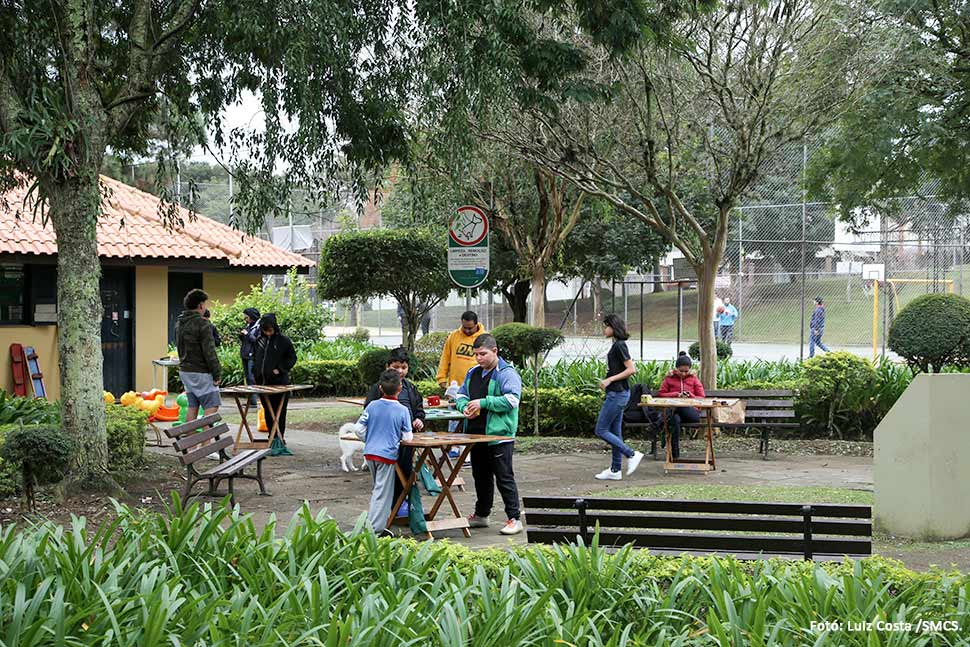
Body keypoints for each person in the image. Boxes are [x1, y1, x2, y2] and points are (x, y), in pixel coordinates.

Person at [456, 334, 524, 535]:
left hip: (499, 435)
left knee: (504, 477)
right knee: (480, 476)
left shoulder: (507, 373)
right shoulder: (473, 372)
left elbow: (512, 400)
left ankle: (514, 518)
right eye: (476, 354)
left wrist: (483, 403)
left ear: (495, 351)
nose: (479, 358)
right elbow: (461, 395)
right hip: (475, 435)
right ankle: (482, 515)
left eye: (483, 354)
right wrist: (464, 407)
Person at [364, 347, 425, 516]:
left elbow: (419, 409)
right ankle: (387, 507)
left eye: (403, 367)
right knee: (386, 477)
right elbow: (368, 413)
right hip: (385, 441)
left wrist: (419, 419)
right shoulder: (378, 389)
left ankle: (401, 502)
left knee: (405, 470)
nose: (400, 371)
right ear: (387, 366)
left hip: (407, 440)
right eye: (396, 367)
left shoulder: (411, 388)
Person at [356, 369, 413, 536]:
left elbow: (358, 428)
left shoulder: (372, 406)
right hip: (387, 455)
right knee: (383, 494)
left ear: (380, 388)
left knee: (377, 490)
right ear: (400, 388)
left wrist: (370, 438)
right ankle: (375, 530)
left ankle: (375, 524)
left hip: (370, 453)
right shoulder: (402, 410)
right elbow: (408, 437)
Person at [593, 314, 645, 481]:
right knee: (615, 432)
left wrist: (609, 379)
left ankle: (631, 454)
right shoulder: (617, 345)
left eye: (606, 326)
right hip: (617, 393)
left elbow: (631, 369)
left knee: (601, 430)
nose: (604, 329)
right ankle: (615, 470)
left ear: (613, 327)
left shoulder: (620, 346)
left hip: (618, 394)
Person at [437, 310, 486, 445]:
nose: (467, 330)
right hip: (455, 388)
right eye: (464, 327)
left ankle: (468, 448)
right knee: (453, 418)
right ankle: (453, 447)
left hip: (475, 388)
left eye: (470, 328)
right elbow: (445, 357)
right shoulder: (454, 336)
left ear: (476, 324)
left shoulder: (484, 338)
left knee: (471, 418)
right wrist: (441, 379)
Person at [253, 313, 298, 456]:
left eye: (270, 330)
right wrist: (256, 372)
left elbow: (292, 358)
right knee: (267, 411)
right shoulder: (259, 340)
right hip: (262, 383)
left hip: (280, 384)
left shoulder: (284, 341)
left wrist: (280, 369)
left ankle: (279, 437)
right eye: (265, 330)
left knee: (279, 411)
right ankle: (271, 438)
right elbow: (256, 358)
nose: (268, 333)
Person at [175, 289, 222, 422]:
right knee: (212, 405)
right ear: (201, 305)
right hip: (201, 372)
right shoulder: (203, 323)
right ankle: (206, 443)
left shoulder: (180, 323)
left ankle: (192, 443)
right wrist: (217, 373)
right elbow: (209, 351)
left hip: (185, 371)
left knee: (193, 406)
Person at [657, 352, 706, 459]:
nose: (683, 374)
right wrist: (676, 395)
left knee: (678, 407)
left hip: (691, 413)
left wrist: (690, 396)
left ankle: (660, 422)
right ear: (676, 369)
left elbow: (702, 397)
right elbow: (661, 394)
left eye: (686, 371)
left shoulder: (694, 379)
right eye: (681, 371)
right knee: (675, 420)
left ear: (689, 369)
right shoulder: (669, 378)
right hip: (675, 413)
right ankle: (675, 454)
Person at [237, 308, 261, 406]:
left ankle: (254, 402)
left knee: (252, 378)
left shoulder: (258, 327)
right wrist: (241, 336)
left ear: (251, 316)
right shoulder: (248, 326)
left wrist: (247, 335)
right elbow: (246, 340)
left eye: (246, 317)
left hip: (253, 356)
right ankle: (251, 401)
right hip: (245, 355)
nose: (245, 319)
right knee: (248, 378)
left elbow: (257, 342)